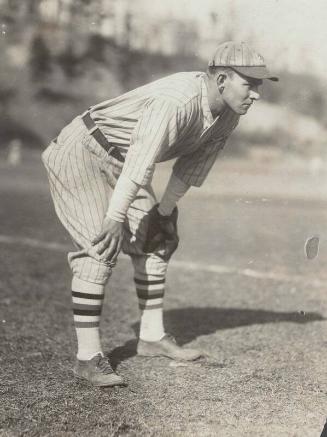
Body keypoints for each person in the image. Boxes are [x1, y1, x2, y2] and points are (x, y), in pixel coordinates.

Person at [42, 41, 278, 387]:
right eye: (250, 83)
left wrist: (163, 212)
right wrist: (114, 217)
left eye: (259, 85)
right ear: (223, 79)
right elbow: (142, 158)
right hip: (85, 150)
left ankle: (151, 337)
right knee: (100, 247)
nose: (256, 94)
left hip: (125, 163)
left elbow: (190, 167)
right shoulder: (178, 99)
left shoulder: (229, 114)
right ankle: (87, 358)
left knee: (158, 240)